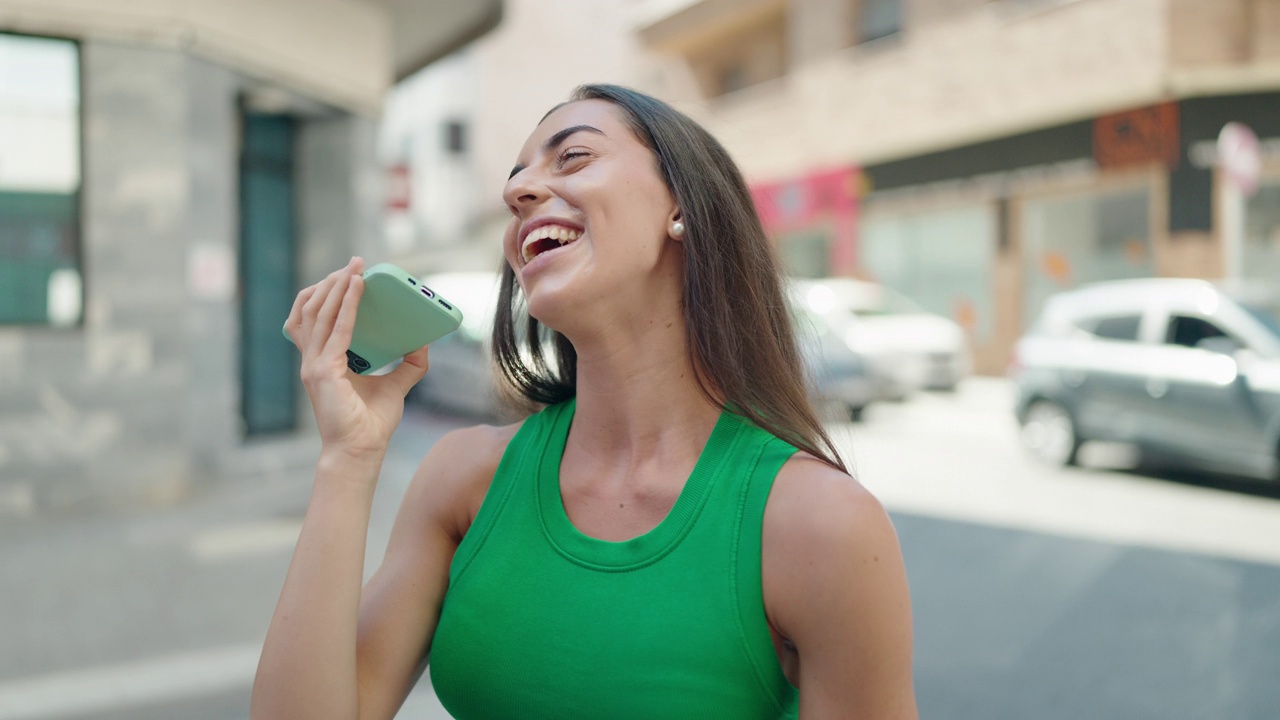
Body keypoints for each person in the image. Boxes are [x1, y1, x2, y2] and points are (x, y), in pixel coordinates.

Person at [253, 84, 917, 720]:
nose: (518, 191)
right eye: (516, 178)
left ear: (681, 206)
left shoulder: (822, 525)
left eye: (573, 156)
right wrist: (348, 456)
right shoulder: (464, 480)